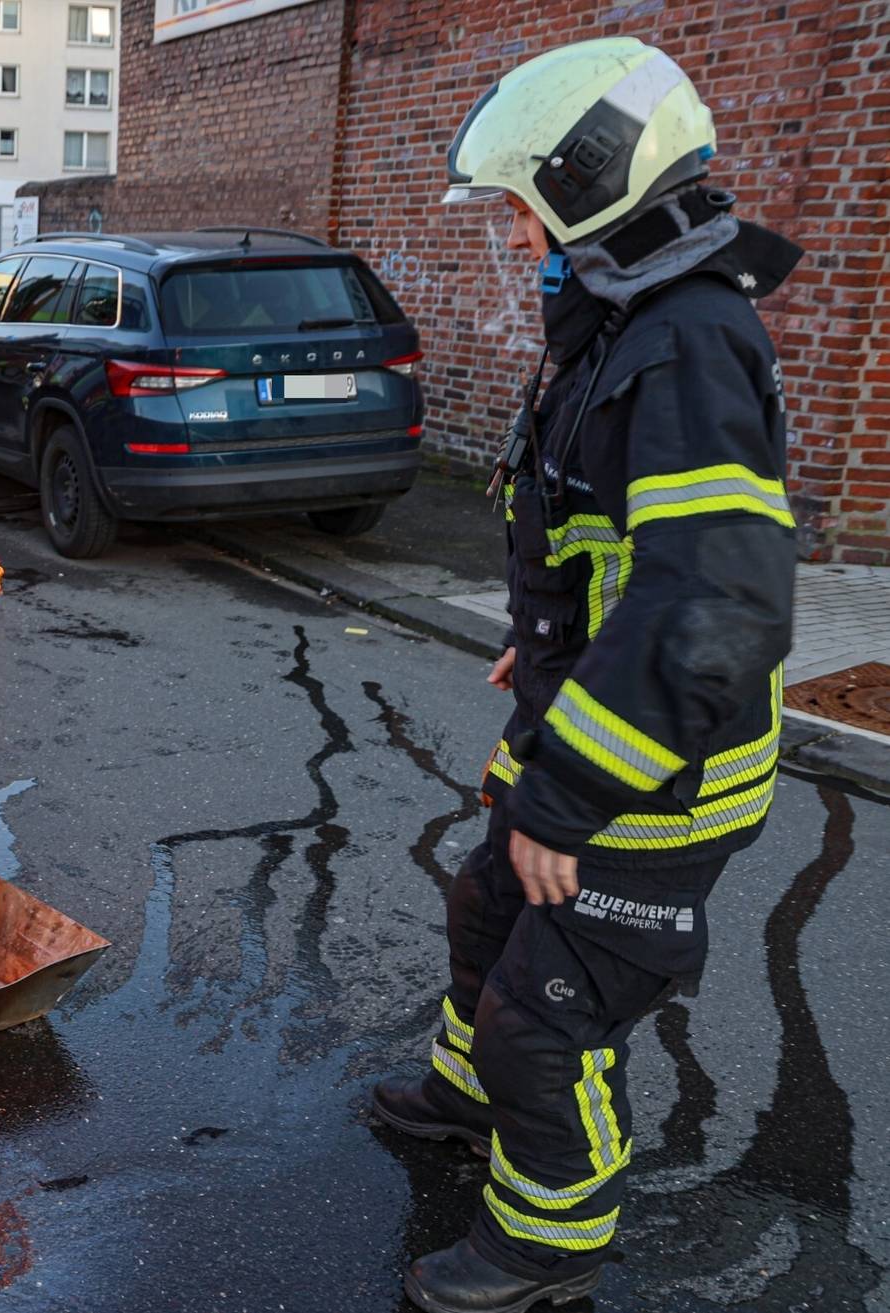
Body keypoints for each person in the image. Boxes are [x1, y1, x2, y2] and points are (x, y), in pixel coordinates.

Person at [371, 39, 799, 1313]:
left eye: (526, 206)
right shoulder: (627, 324)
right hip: (585, 713)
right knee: (484, 906)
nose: (517, 235)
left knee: (544, 1013)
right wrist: (552, 638)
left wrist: (567, 804)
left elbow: (716, 603)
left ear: (593, 185)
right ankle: (468, 1100)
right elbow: (619, 548)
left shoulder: (684, 346)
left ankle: (553, 1237)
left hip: (656, 776)